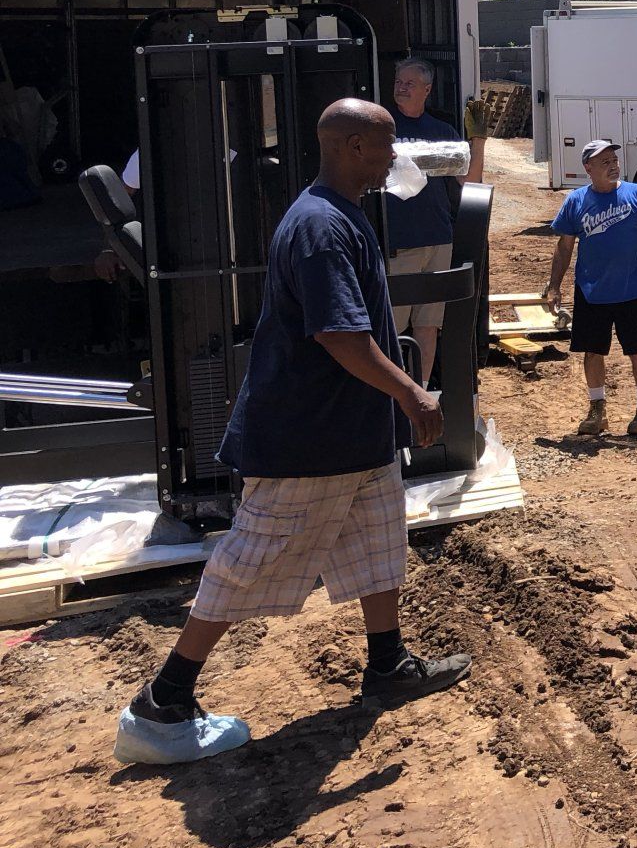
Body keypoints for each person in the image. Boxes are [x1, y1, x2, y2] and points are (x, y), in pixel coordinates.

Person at [114, 98, 471, 766]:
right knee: (248, 564)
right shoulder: (319, 228)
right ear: (348, 145)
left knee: (378, 542)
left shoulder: (347, 215)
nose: (397, 155)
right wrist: (415, 393)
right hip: (308, 436)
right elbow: (339, 335)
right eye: (386, 143)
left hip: (353, 431)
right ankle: (160, 703)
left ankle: (387, 663)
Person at [543, 140, 637, 438]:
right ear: (589, 168)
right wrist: (554, 286)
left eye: (614, 159)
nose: (613, 165)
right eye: (604, 161)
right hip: (591, 292)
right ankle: (597, 410)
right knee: (593, 352)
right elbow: (565, 246)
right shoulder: (576, 201)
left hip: (631, 291)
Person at [384, 57, 486, 379]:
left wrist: (478, 140)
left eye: (409, 83)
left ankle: (422, 392)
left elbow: (469, 181)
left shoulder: (441, 131)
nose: (401, 88)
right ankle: (396, 397)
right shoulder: (383, 128)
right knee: (393, 329)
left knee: (428, 326)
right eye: (398, 81)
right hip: (399, 242)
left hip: (438, 239)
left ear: (426, 90)